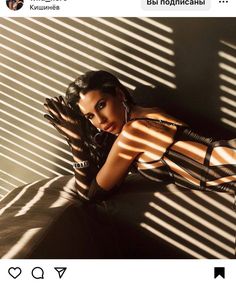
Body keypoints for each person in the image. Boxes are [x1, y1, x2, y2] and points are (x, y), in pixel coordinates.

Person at [43, 70, 236, 203]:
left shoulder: (133, 134)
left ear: (119, 94)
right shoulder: (149, 115)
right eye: (90, 116)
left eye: (101, 105)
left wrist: (75, 141)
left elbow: (89, 195)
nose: (100, 120)